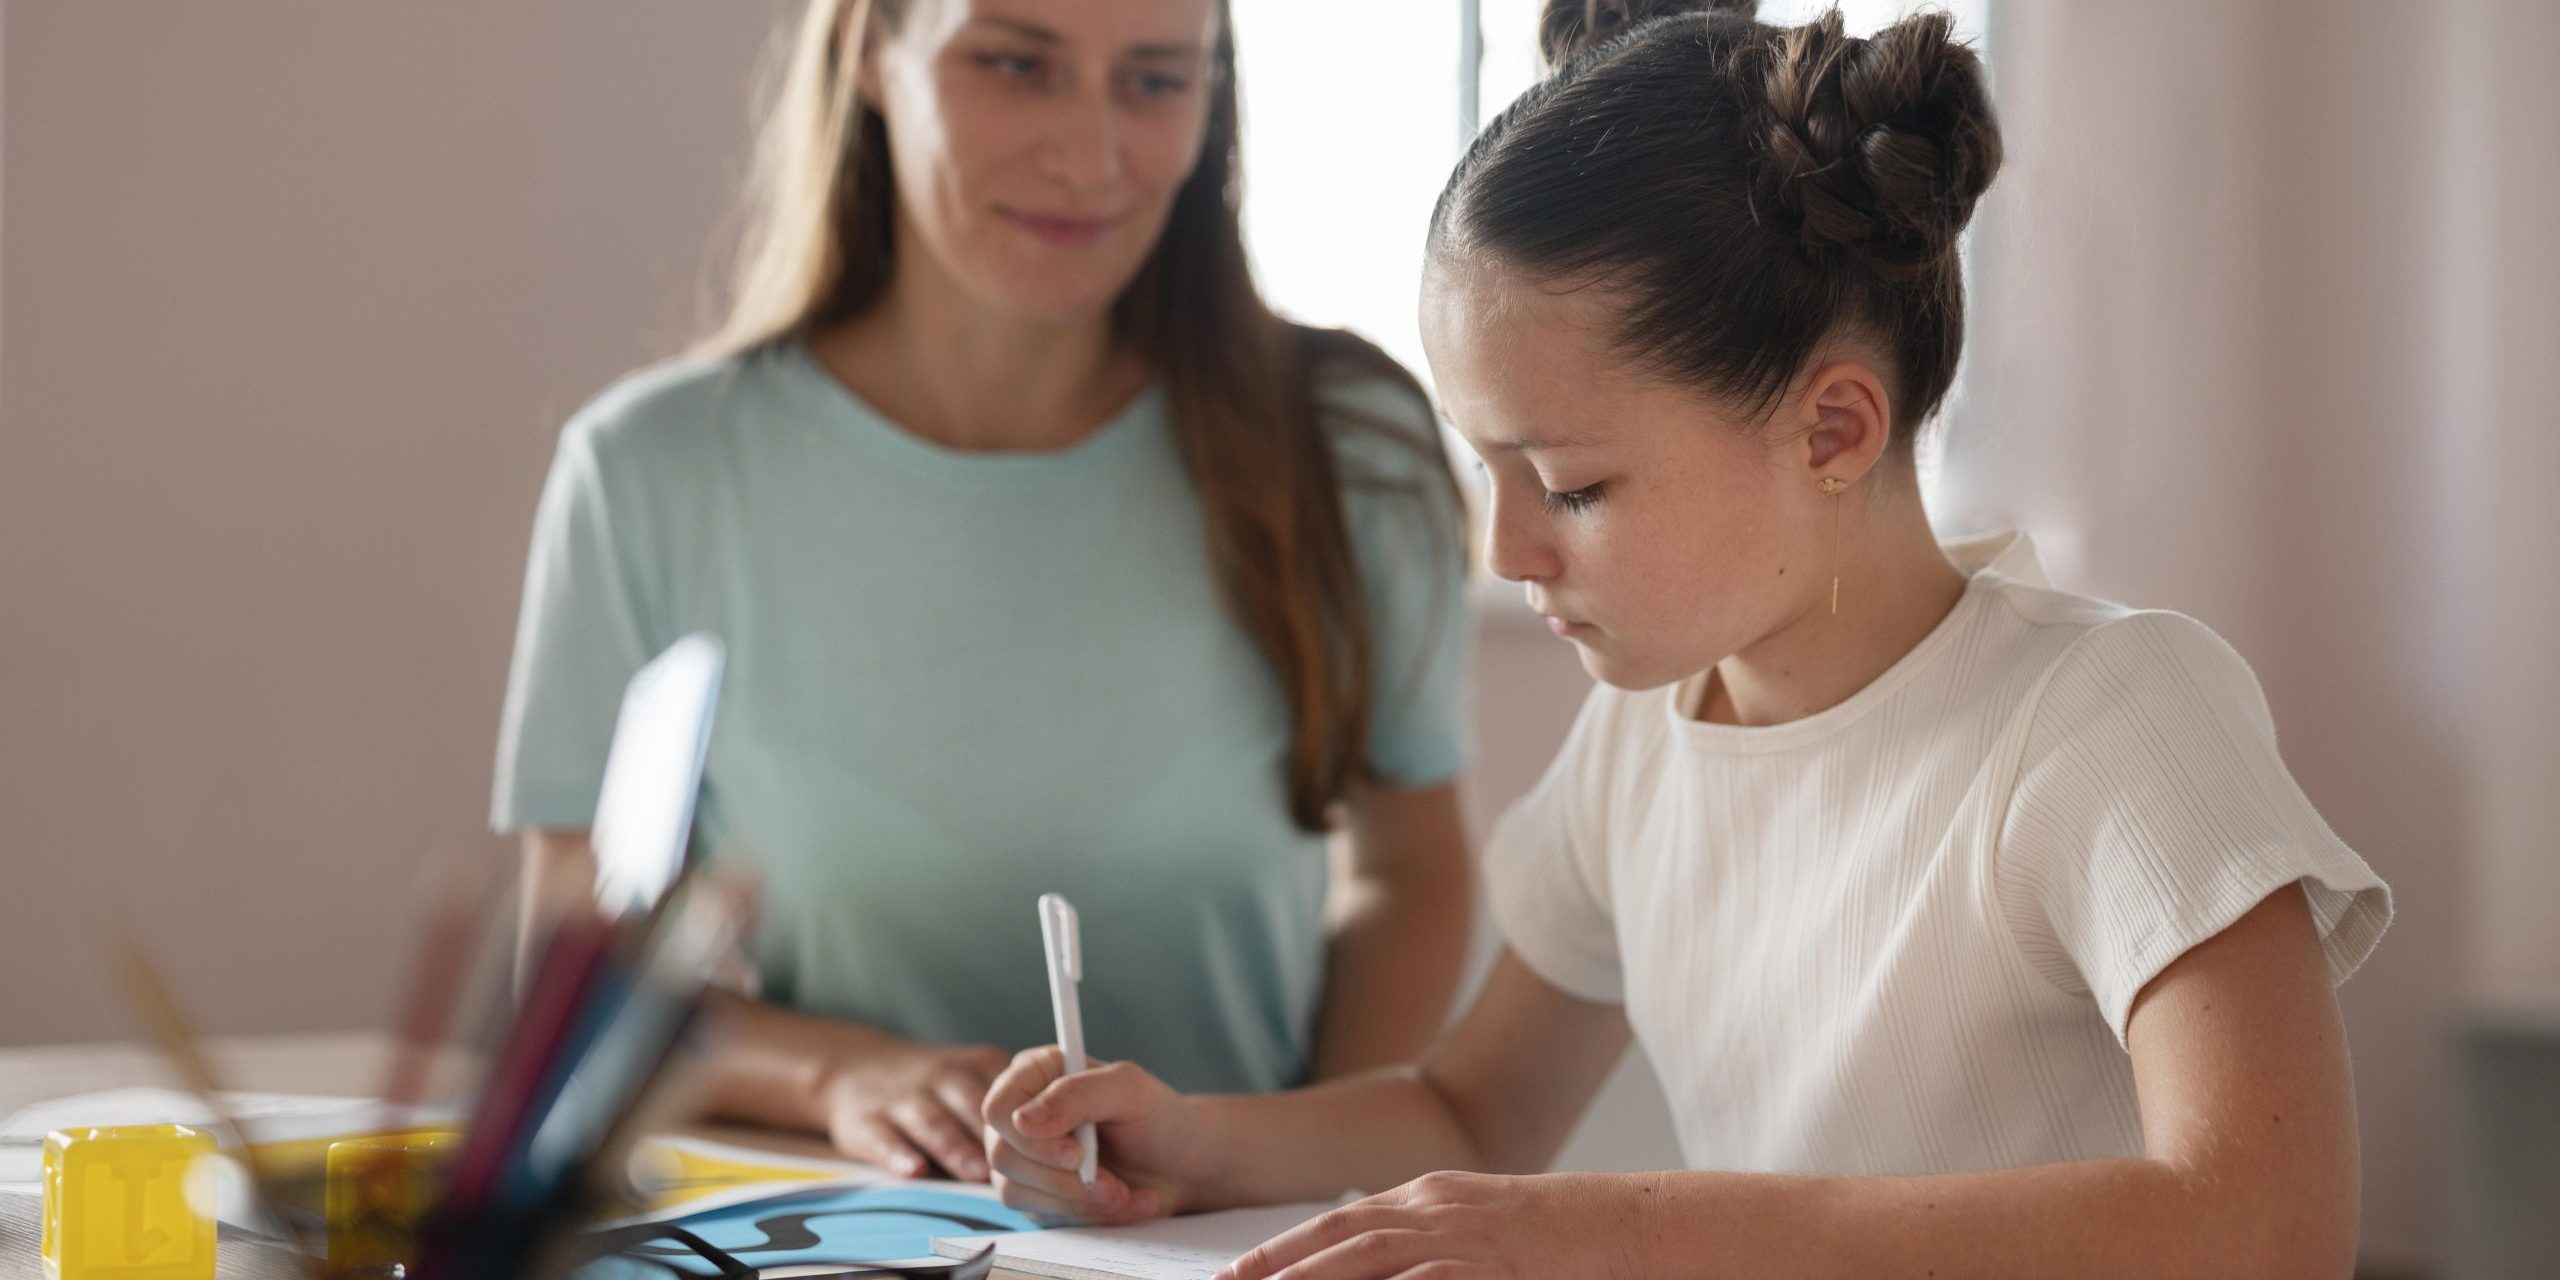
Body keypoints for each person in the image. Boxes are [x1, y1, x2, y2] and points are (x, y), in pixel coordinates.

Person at [978, 3, 2394, 1275]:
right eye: (1492, 474)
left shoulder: (2107, 716)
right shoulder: (1644, 738)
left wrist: (1628, 1228)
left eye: (1575, 486)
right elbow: (1472, 1108)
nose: (1508, 551)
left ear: (1835, 428)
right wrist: (1187, 1142)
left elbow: (2265, 1225)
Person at [491, 0, 1476, 1184]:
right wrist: (838, 1073)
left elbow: (1413, 872)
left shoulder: (1348, 445)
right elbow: (577, 966)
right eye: (1016, 64)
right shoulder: (646, 473)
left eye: (1157, 81)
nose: (1091, 154)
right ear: (867, 51)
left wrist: (1283, 1166)